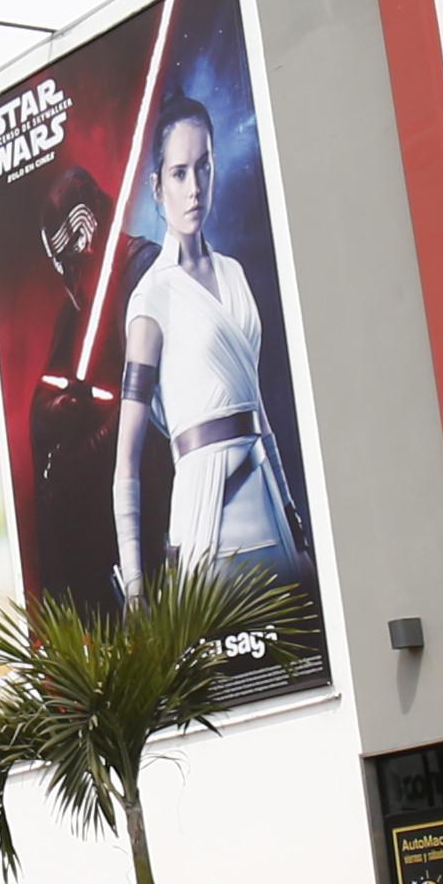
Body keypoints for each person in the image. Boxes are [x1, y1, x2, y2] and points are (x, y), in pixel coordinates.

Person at [118, 100, 300, 595]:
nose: (194, 187)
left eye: (203, 167)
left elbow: (257, 409)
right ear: (157, 187)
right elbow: (126, 462)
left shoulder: (235, 273)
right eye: (179, 173)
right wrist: (135, 587)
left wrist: (289, 510)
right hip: (204, 507)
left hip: (266, 501)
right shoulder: (152, 298)